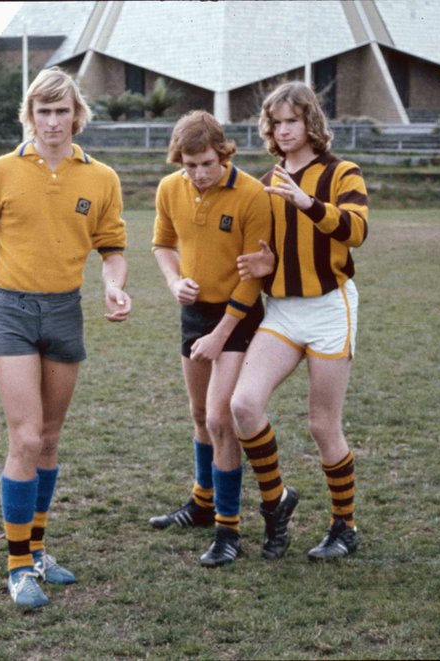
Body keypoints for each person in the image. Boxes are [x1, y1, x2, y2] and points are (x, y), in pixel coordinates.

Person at [0, 67, 131, 609]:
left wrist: (113, 285)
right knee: (27, 438)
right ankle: (17, 566)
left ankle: (36, 550)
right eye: (43, 111)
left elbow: (112, 248)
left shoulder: (101, 178)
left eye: (61, 111)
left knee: (51, 438)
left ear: (76, 115)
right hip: (11, 309)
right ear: (29, 116)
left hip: (65, 311)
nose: (53, 122)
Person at [230, 81, 369, 561]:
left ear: (311, 122)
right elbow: (268, 248)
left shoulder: (342, 172)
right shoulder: (266, 182)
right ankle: (277, 500)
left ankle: (344, 525)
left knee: (322, 425)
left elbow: (357, 231)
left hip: (330, 308)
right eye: (275, 123)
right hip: (283, 310)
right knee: (243, 405)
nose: (283, 130)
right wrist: (264, 263)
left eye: (292, 121)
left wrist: (308, 203)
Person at [146, 111, 272, 567]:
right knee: (199, 414)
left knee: (221, 419)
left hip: (236, 317)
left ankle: (228, 529)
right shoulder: (169, 189)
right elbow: (162, 244)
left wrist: (221, 334)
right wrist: (173, 281)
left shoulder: (252, 195)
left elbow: (254, 278)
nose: (199, 174)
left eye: (206, 164)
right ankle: (202, 503)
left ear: (223, 153)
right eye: (189, 165)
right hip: (194, 313)